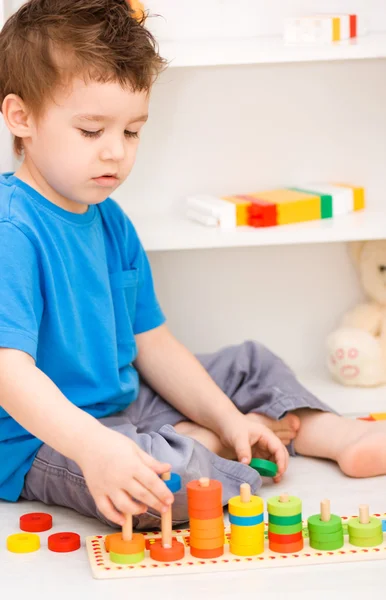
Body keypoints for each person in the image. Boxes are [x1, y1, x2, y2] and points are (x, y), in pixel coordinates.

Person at [0, 0, 385, 532]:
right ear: (21, 117)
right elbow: (8, 375)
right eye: (92, 131)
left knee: (248, 363)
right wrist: (96, 448)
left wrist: (225, 415)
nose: (116, 153)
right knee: (165, 485)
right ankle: (202, 442)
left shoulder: (110, 221)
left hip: (126, 397)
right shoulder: (12, 231)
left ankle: (330, 434)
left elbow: (152, 342)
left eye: (132, 132)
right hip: (44, 438)